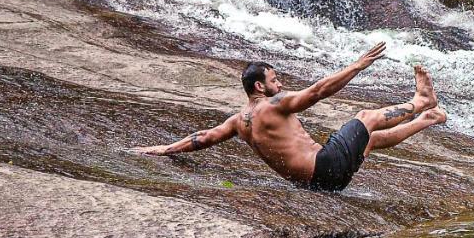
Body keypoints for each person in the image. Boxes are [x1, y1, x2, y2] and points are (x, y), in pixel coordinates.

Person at [133, 42, 446, 192]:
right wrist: (357, 65)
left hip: (320, 184)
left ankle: (427, 119)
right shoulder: (276, 104)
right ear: (260, 86)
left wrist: (163, 149)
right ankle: (421, 101)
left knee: (370, 140)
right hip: (325, 167)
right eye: (274, 79)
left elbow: (202, 139)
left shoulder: (237, 122)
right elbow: (318, 91)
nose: (279, 84)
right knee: (366, 117)